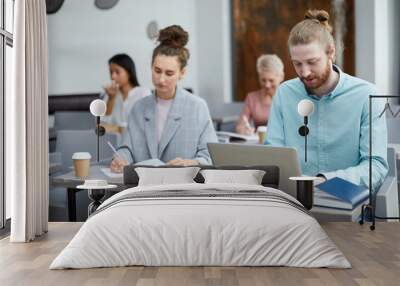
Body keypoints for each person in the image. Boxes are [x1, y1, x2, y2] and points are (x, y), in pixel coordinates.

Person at [266, 9, 388, 190]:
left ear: (331, 52)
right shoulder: (284, 93)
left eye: (312, 61)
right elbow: (272, 155)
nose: (304, 72)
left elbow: (375, 167)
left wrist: (324, 181)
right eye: (297, 63)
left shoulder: (367, 95)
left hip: (346, 202)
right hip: (293, 201)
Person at [110, 25, 217, 171]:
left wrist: (192, 162)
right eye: (157, 71)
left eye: (169, 73)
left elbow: (210, 156)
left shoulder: (198, 107)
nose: (161, 79)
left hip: (183, 187)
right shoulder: (139, 107)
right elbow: (127, 148)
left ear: (182, 73)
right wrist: (121, 158)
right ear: (151, 66)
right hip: (142, 188)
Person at [101, 54, 150, 134]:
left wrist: (118, 128)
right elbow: (102, 126)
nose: (113, 77)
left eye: (117, 72)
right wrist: (111, 99)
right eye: (111, 72)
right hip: (112, 142)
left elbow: (146, 125)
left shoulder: (143, 93)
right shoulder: (109, 94)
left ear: (129, 72)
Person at [236, 54, 284, 135]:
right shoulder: (252, 98)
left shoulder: (288, 97)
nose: (267, 85)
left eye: (271, 80)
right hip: (259, 143)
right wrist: (243, 129)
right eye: (263, 80)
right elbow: (240, 126)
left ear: (281, 77)